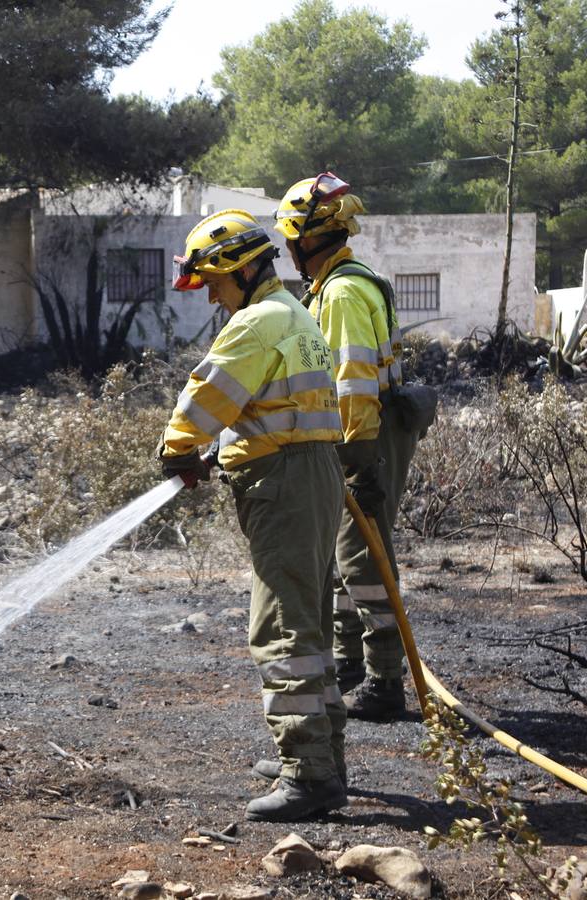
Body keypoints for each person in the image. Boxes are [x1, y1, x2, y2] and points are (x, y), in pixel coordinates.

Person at [158, 209, 347, 822]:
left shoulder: (255, 323)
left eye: (213, 282)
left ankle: (309, 775)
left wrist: (178, 451)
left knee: (281, 630)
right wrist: (231, 445)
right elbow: (279, 405)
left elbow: (204, 398)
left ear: (238, 269)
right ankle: (323, 756)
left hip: (284, 485)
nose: (211, 295)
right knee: (311, 621)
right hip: (314, 473)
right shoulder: (295, 314)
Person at [272, 172, 419, 721]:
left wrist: (355, 461)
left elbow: (353, 383)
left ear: (309, 238)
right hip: (360, 438)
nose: (287, 249)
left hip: (365, 440)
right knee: (340, 555)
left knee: (362, 560)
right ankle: (349, 663)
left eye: (291, 237)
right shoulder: (337, 286)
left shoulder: (342, 292)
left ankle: (384, 682)